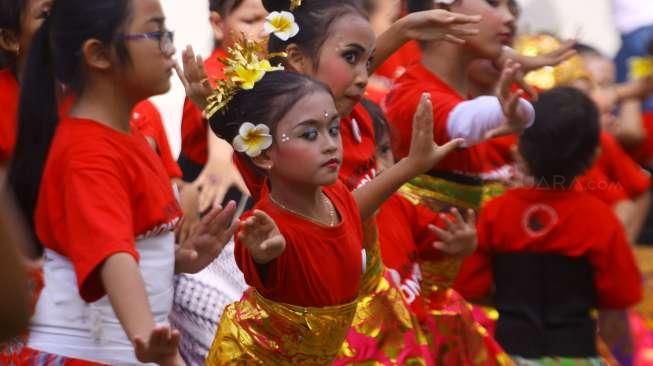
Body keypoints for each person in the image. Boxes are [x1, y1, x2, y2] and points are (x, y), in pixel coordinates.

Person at [7, 0, 237, 364]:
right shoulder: (88, 153)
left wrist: (175, 260)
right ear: (99, 54)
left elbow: (120, 247)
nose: (170, 48)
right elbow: (112, 257)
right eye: (156, 33)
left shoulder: (124, 135)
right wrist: (151, 341)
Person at [455, 87, 642, 365]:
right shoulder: (601, 220)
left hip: (507, 353)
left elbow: (470, 288)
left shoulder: (495, 213)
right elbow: (615, 311)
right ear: (593, 157)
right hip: (576, 353)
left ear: (520, 152)